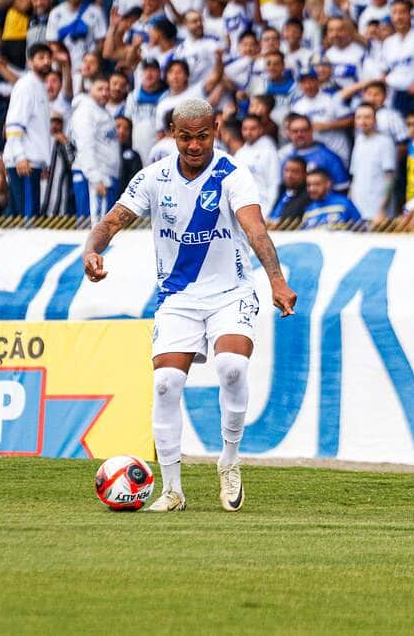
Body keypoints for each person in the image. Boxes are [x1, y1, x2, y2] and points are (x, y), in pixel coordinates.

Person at [83, 97, 297, 513]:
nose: (194, 146)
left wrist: (276, 279)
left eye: (202, 136)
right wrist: (91, 251)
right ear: (172, 134)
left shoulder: (233, 175)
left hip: (231, 292)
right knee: (165, 385)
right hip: (178, 297)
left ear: (215, 130)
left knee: (232, 368)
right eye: (185, 137)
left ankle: (230, 460)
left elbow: (256, 230)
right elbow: (111, 221)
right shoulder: (154, 178)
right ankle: (173, 490)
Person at [3, 43, 53, 217]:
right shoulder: (26, 85)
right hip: (24, 163)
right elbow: (14, 124)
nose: (46, 61)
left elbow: (39, 129)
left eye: (48, 58)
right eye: (41, 58)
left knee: (30, 216)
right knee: (28, 219)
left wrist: (44, 161)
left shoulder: (40, 86)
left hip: (34, 162)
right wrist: (19, 156)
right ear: (30, 62)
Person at [71, 73, 121, 220]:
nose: (105, 93)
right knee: (95, 230)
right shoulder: (86, 111)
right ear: (89, 89)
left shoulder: (103, 112)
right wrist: (95, 178)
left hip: (106, 176)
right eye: (100, 89)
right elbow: (85, 146)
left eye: (107, 89)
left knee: (103, 231)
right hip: (94, 179)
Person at [349, 103, 395, 220]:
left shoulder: (385, 142)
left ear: (375, 120)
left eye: (367, 117)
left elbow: (389, 177)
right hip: (358, 210)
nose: (362, 121)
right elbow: (354, 176)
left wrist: (382, 208)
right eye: (359, 117)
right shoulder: (358, 141)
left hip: (378, 212)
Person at [233, 114, 280, 216]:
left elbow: (274, 183)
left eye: (252, 129)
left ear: (261, 129)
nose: (248, 132)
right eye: (245, 129)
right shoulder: (239, 154)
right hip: (242, 205)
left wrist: (269, 211)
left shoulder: (269, 151)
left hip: (264, 207)